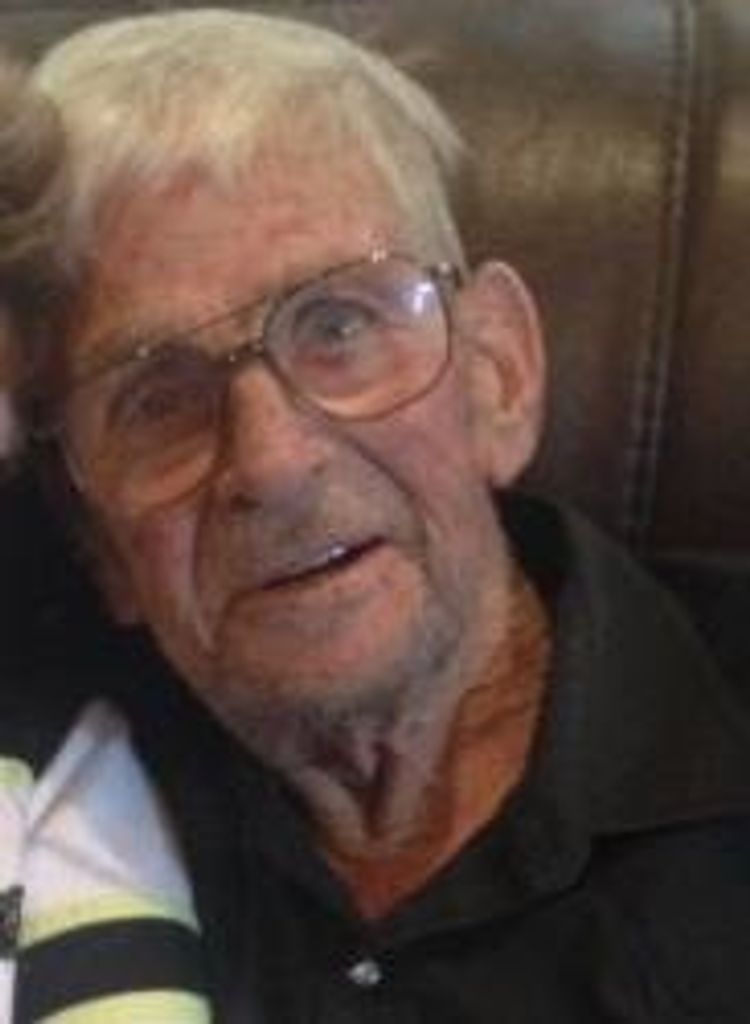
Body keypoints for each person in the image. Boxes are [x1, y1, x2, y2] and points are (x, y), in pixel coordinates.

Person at [3, 8, 750, 1022]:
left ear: (499, 374)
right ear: (94, 539)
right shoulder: (56, 782)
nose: (274, 462)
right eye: (159, 399)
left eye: (339, 326)